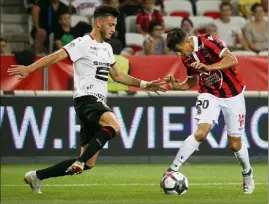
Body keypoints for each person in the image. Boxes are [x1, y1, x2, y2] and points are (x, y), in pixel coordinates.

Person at [8, 5, 166, 194]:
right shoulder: (82, 43)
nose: (113, 29)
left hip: (98, 102)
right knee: (114, 125)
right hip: (86, 99)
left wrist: (146, 85)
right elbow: (55, 57)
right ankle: (79, 162)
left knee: (90, 162)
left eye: (115, 25)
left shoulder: (107, 48)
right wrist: (29, 69)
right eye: (110, 24)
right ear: (98, 23)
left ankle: (37, 176)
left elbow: (119, 76)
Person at [162, 28, 255, 194]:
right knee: (200, 134)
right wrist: (178, 86)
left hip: (233, 94)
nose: (179, 54)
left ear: (187, 41)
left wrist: (208, 67)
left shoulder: (208, 41)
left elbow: (232, 60)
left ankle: (247, 173)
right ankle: (172, 170)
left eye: (179, 49)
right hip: (209, 94)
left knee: (234, 144)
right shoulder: (185, 56)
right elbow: (192, 81)